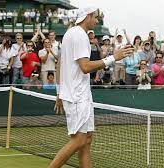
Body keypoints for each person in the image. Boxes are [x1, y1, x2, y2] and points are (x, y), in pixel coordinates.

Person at [51, 6, 134, 168]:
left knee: (87, 139)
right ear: (87, 16)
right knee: (80, 139)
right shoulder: (79, 35)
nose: (96, 21)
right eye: (95, 18)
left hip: (80, 94)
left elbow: (61, 63)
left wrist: (60, 92)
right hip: (77, 96)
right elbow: (85, 67)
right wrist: (113, 58)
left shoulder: (70, 33)